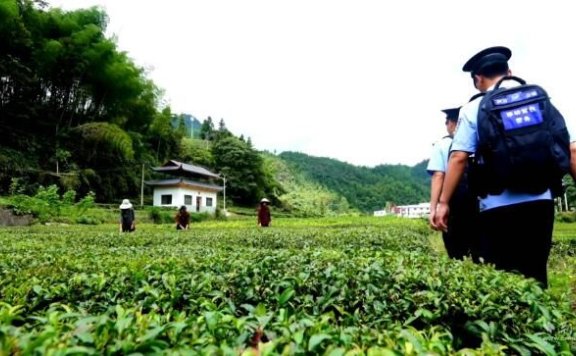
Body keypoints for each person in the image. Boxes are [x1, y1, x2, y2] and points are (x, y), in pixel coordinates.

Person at [434, 46, 576, 287]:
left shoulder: (474, 108)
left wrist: (444, 202)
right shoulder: (540, 100)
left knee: (503, 280)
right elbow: (572, 150)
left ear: (477, 78)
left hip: (497, 206)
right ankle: (540, 323)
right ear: (509, 72)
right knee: (536, 274)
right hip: (541, 202)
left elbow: (458, 157)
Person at [428, 107, 479, 260]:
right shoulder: (478, 141)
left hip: (454, 207)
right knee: (481, 255)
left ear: (451, 123)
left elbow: (438, 175)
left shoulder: (443, 145)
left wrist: (434, 208)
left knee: (456, 254)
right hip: (480, 204)